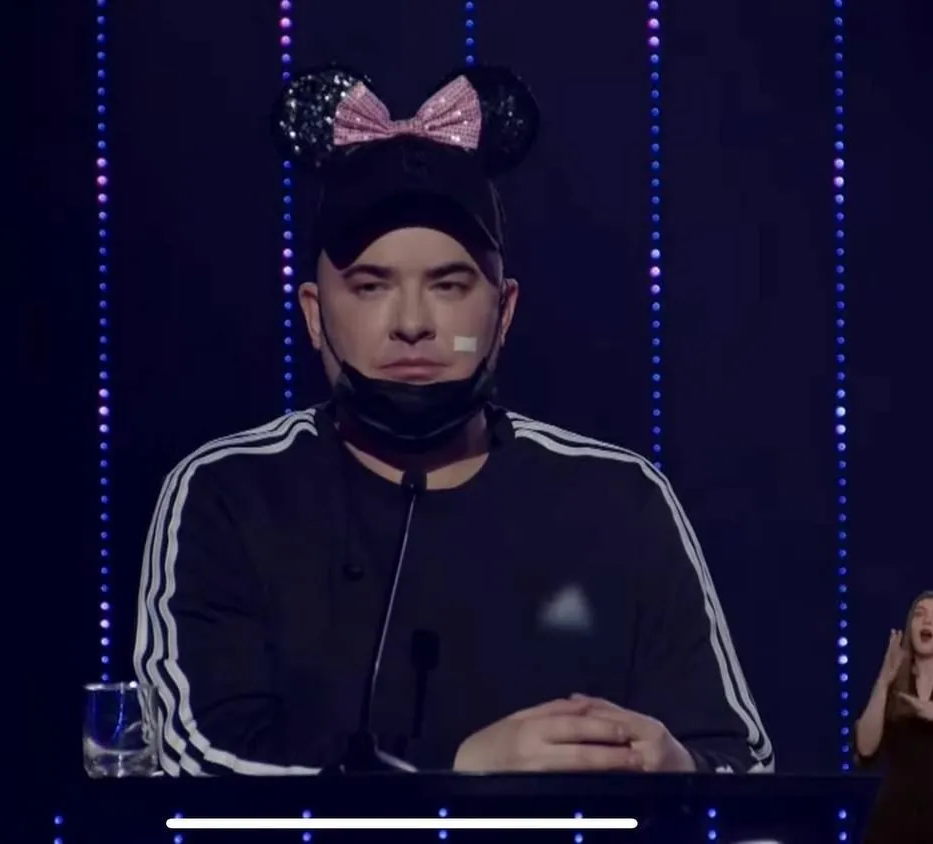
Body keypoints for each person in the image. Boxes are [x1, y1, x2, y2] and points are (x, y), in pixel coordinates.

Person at [132, 65, 772, 776]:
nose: (412, 323)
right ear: (314, 315)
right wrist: (458, 778)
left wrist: (678, 770)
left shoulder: (622, 499)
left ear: (504, 312)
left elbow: (741, 764)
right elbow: (198, 763)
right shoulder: (227, 494)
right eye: (370, 286)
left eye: (449, 284)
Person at [854, 591, 933, 843]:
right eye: (919, 614)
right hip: (894, 819)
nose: (927, 621)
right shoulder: (891, 687)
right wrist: (884, 680)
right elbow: (865, 748)